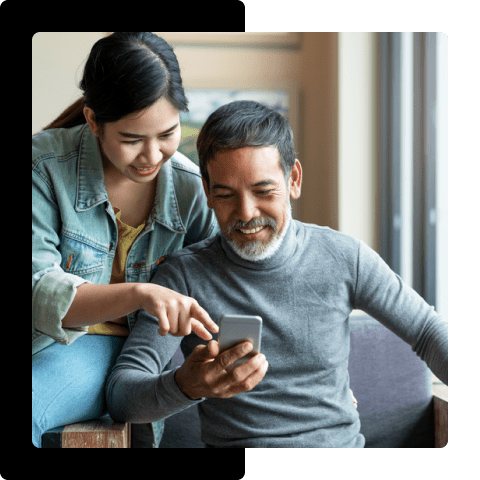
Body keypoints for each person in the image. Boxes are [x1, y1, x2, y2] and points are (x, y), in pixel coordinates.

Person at [106, 100, 448, 448]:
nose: (246, 213)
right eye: (225, 195)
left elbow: (427, 331)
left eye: (263, 191)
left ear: (293, 179)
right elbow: (121, 395)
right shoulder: (183, 277)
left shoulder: (345, 257)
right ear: (207, 193)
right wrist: (185, 385)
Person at [32, 32, 219, 448]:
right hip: (48, 337)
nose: (152, 156)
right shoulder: (42, 166)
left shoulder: (191, 190)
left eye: (167, 134)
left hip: (121, 353)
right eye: (132, 140)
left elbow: (236, 281)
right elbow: (38, 290)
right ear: (93, 120)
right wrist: (140, 293)